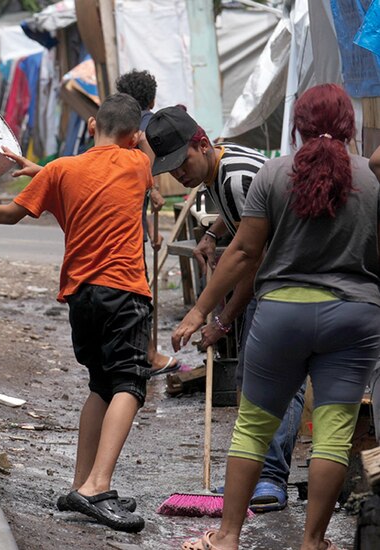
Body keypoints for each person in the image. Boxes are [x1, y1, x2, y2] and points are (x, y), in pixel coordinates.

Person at [173, 83, 380, 550]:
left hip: (281, 317)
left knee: (253, 426)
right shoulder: (372, 180)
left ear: (297, 126)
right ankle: (313, 541)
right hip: (354, 318)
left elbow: (245, 252)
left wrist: (201, 310)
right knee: (333, 431)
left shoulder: (273, 175)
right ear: (350, 127)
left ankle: (227, 537)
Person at [0, 94, 152, 534]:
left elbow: (13, 213)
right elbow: (143, 154)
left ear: (91, 126)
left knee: (101, 385)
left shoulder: (60, 171)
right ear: (132, 136)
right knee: (129, 383)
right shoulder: (138, 166)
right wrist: (141, 140)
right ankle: (97, 488)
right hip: (124, 291)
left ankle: (80, 484)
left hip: (81, 295)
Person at [147, 105, 294, 513]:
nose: (180, 175)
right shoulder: (217, 171)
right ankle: (260, 470)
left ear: (203, 143)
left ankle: (271, 476)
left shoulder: (238, 177)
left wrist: (219, 320)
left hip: (286, 281)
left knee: (277, 381)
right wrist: (213, 232)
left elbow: (251, 258)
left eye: (183, 163)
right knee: (252, 377)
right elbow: (242, 219)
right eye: (172, 169)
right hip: (270, 278)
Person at [115, 70, 177, 375]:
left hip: (113, 214)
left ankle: (126, 351)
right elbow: (144, 173)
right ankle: (148, 354)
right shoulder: (148, 124)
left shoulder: (114, 123)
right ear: (151, 98)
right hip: (131, 219)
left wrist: (150, 228)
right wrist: (153, 191)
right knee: (139, 287)